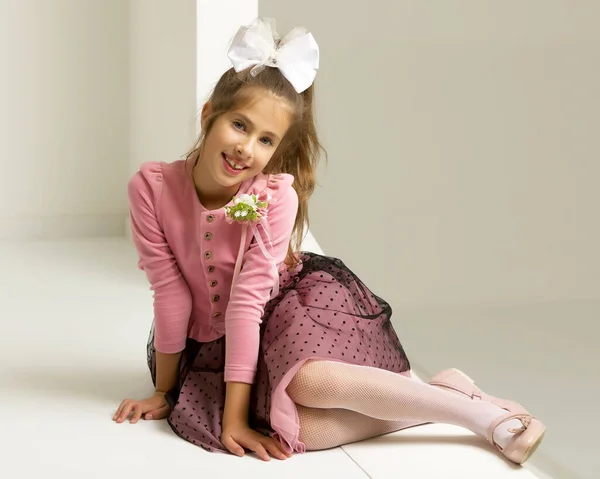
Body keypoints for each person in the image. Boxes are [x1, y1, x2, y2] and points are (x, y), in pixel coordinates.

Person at [113, 18, 545, 465]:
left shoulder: (273, 196)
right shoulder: (152, 188)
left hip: (280, 310)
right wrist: (163, 391)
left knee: (307, 384)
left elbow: (246, 304)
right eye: (239, 125)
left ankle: (481, 417)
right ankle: (439, 395)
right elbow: (170, 294)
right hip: (213, 342)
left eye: (265, 140)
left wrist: (234, 420)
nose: (246, 148)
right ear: (209, 115)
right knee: (301, 431)